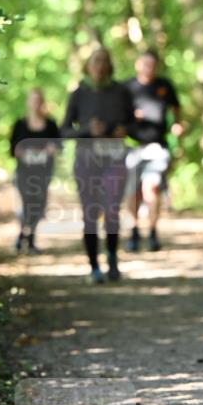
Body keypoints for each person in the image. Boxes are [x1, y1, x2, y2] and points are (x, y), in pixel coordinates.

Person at [61, 46, 135, 283]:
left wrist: (125, 129)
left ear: (110, 65)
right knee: (90, 213)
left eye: (104, 61)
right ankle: (94, 266)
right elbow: (63, 130)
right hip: (86, 160)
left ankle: (112, 258)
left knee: (112, 209)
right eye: (95, 61)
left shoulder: (121, 91)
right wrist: (86, 130)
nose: (100, 66)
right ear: (88, 66)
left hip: (114, 159)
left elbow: (134, 123)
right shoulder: (79, 93)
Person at [123, 49, 183, 252]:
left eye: (153, 64)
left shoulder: (164, 86)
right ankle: (133, 231)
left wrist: (176, 124)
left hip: (158, 145)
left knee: (152, 188)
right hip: (132, 146)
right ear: (137, 64)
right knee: (133, 191)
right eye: (145, 63)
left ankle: (152, 231)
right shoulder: (127, 87)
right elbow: (117, 113)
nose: (149, 68)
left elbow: (176, 107)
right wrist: (130, 117)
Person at [10, 89, 60, 254]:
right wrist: (21, 151)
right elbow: (12, 148)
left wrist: (52, 149)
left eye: (39, 100)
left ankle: (27, 237)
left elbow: (58, 145)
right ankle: (25, 236)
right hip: (23, 172)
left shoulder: (51, 124)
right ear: (28, 102)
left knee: (39, 205)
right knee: (25, 204)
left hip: (43, 173)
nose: (36, 103)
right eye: (33, 100)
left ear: (42, 103)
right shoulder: (20, 124)